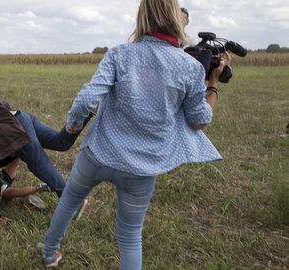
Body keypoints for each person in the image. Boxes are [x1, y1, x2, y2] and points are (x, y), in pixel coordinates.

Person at [42, 0, 232, 268]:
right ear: (177, 20)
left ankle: (50, 254)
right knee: (130, 236)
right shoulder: (190, 68)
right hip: (142, 168)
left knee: (70, 199)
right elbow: (200, 120)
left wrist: (72, 129)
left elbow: (86, 100)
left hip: (98, 154)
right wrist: (212, 83)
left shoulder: (120, 54)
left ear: (142, 17)